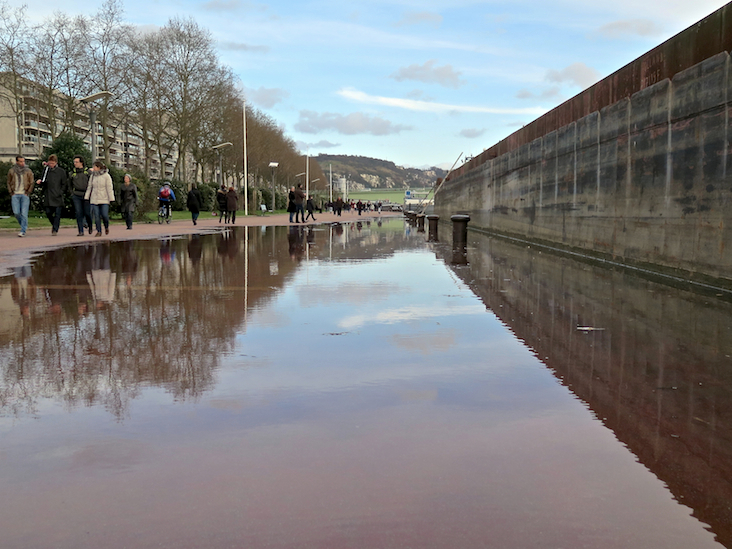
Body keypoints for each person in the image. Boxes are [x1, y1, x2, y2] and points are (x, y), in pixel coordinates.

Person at [36, 154, 68, 235]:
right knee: (48, 212)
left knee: (57, 214)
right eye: (50, 163)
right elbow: (43, 181)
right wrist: (40, 182)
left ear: (56, 163)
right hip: (48, 195)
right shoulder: (46, 170)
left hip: (58, 196)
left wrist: (61, 192)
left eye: (52, 163)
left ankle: (55, 229)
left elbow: (64, 184)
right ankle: (54, 224)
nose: (51, 165)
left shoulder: (61, 172)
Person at [84, 160, 115, 236]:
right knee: (96, 216)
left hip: (104, 199)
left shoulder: (106, 176)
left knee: (104, 215)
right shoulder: (93, 176)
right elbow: (89, 187)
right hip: (94, 199)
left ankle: (106, 226)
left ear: (99, 167)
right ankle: (99, 231)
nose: (93, 168)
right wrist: (87, 197)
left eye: (95, 166)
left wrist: (111, 198)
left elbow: (109, 188)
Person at [6, 155, 34, 237]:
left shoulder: (28, 171)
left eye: (23, 161)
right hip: (15, 194)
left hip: (24, 194)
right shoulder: (12, 171)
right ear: (17, 162)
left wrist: (28, 192)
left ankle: (23, 230)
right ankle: (23, 225)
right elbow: (8, 181)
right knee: (16, 212)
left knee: (24, 213)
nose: (22, 163)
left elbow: (31, 182)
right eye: (21, 161)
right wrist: (11, 192)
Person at [69, 156, 92, 236]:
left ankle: (90, 225)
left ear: (81, 163)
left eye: (76, 162)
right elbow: (69, 184)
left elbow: (92, 183)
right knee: (78, 212)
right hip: (76, 195)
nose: (75, 163)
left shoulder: (88, 172)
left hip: (86, 195)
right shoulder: (72, 173)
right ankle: (80, 231)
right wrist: (72, 192)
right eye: (74, 162)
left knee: (87, 212)